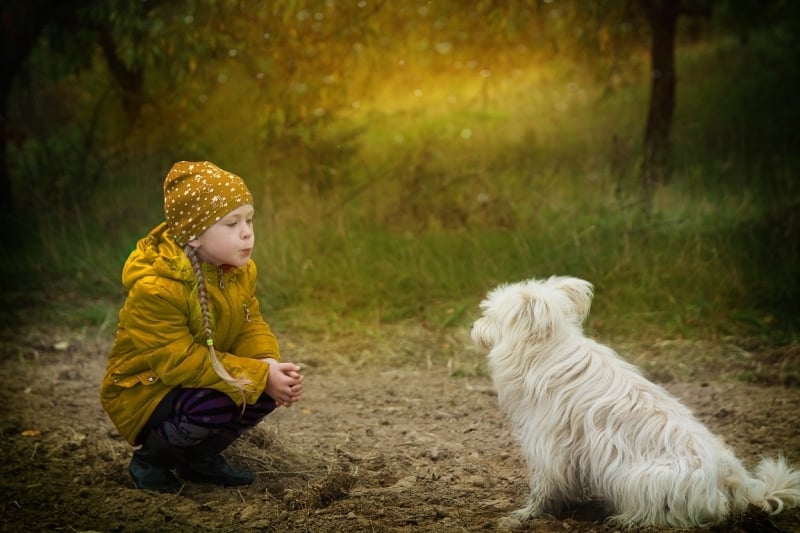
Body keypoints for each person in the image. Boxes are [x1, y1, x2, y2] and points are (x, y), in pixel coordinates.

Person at [100, 161, 304, 493]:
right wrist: (257, 376)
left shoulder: (237, 271)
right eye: (231, 223)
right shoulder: (156, 289)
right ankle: (152, 459)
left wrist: (267, 364)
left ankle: (198, 459)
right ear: (194, 235)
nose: (246, 232)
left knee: (264, 393)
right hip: (147, 391)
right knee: (224, 398)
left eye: (249, 220)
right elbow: (178, 362)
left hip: (197, 379)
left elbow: (250, 323)